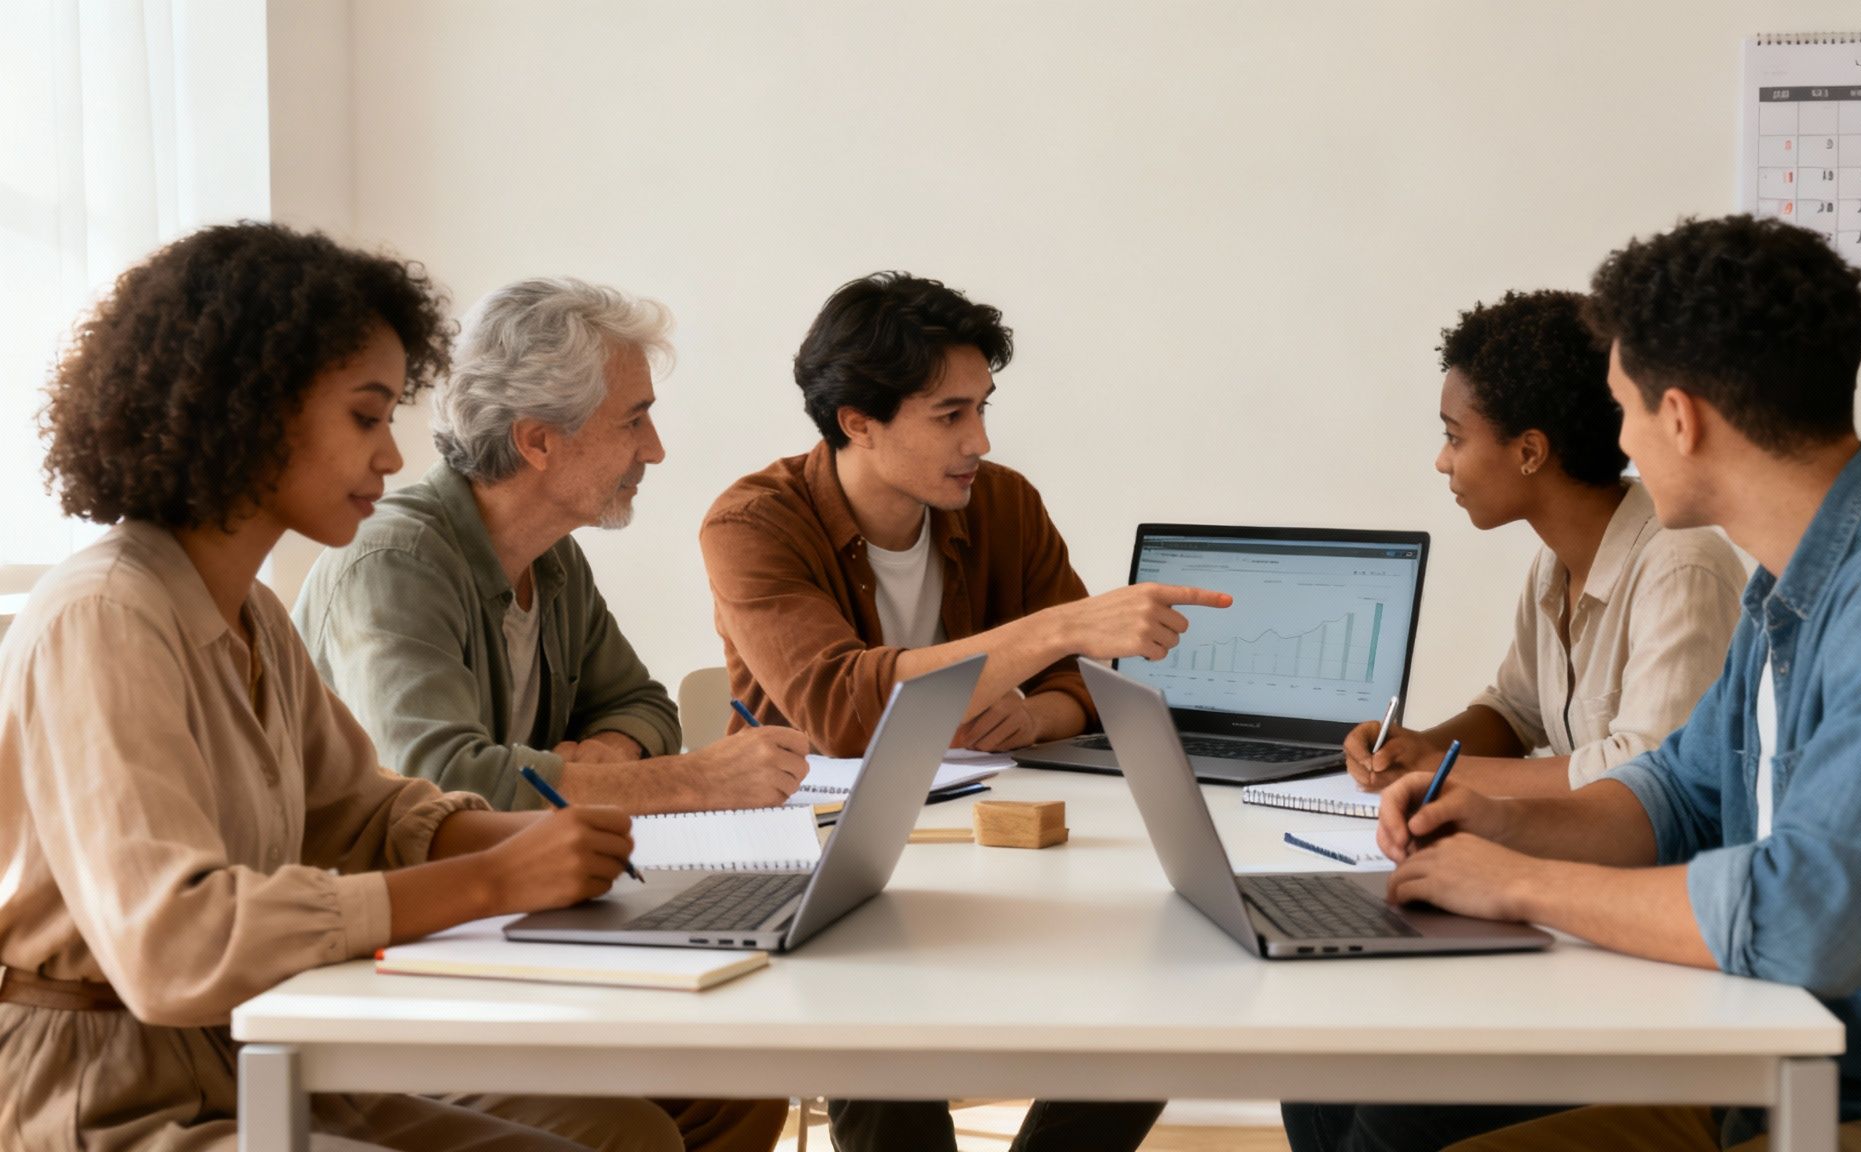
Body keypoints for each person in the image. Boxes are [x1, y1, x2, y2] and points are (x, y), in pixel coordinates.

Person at [1285, 215, 1861, 1152]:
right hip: (1764, 1079)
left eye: (1624, 410)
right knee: (1352, 1100)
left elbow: (1809, 916)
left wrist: (1521, 885)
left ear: (1679, 417)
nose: (1621, 444)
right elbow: (1676, 794)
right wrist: (1493, 825)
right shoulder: (1792, 582)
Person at [0, 223, 685, 1151]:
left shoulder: (253, 616)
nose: (395, 457)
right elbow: (174, 945)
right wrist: (493, 877)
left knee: (626, 1138)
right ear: (247, 409)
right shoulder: (107, 614)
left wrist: (553, 842)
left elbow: (364, 819)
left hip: (254, 1050)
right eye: (366, 418)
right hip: (103, 1091)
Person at [702, 271, 1190, 1150]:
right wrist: (1059, 627)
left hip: (993, 836)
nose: (980, 440)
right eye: (950, 415)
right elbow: (840, 707)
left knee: (1172, 975)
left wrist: (1037, 716)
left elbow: (1086, 682)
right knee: (873, 1019)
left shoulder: (1004, 503)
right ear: (859, 421)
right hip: (818, 846)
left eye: (984, 407)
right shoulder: (750, 524)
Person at [294, 278, 809, 819]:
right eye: (634, 420)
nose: (655, 450)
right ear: (537, 440)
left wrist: (610, 751)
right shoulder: (394, 563)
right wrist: (698, 779)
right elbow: (442, 782)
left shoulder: (552, 555)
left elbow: (644, 705)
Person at [1346, 290, 1745, 797]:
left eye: (1455, 437)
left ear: (1530, 452)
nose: (1442, 461)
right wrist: (1411, 747)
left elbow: (1645, 774)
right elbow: (1514, 713)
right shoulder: (1553, 565)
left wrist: (1436, 770)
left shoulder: (1683, 568)